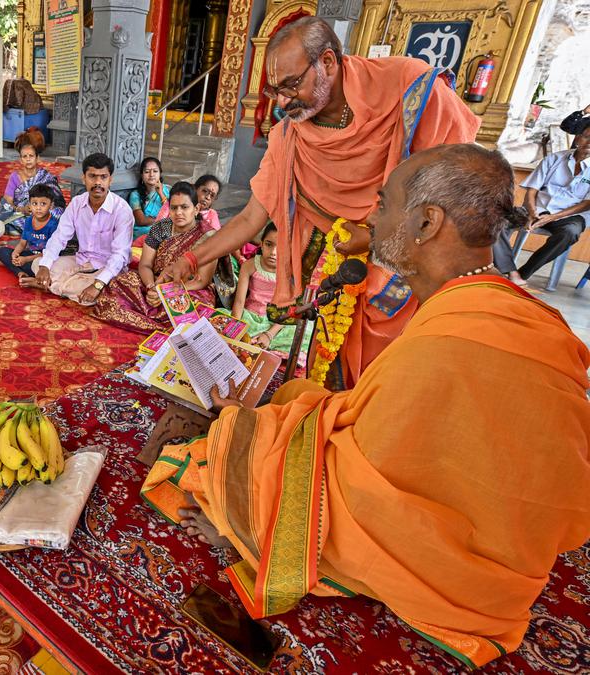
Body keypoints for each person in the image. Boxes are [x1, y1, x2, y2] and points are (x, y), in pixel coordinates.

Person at [144, 144, 590, 668]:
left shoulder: (446, 342)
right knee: (299, 403)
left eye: (383, 205)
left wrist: (249, 507)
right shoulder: (511, 311)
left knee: (221, 459)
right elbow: (398, 430)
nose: (370, 219)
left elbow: (357, 483)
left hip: (462, 574)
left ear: (425, 222)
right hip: (516, 550)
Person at [166, 16, 479, 388]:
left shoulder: (411, 91)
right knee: (330, 370)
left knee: (388, 380)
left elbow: (457, 190)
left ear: (328, 62)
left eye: (291, 85)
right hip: (336, 273)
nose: (281, 102)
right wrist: (191, 258)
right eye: (273, 91)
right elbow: (251, 218)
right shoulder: (289, 136)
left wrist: (377, 243)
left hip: (407, 273)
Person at [91, 181, 218, 332]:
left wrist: (166, 292)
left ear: (196, 209)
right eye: (174, 207)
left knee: (200, 308)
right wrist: (152, 287)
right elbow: (145, 265)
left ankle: (153, 317)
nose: (178, 213)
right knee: (119, 283)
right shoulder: (160, 228)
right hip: (155, 281)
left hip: (187, 288)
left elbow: (202, 281)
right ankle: (157, 316)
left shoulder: (207, 236)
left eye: (184, 207)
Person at [492, 114, 589, 286]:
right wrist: (531, 212)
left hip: (568, 216)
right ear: (578, 138)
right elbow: (532, 190)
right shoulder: (554, 159)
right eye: (587, 136)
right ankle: (509, 270)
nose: (589, 143)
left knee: (570, 233)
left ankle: (523, 274)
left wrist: (552, 217)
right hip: (536, 208)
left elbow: (587, 203)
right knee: (497, 219)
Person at [35, 153, 135, 306]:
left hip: (106, 268)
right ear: (84, 178)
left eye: (103, 177)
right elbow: (60, 237)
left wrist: (97, 285)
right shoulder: (77, 203)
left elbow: (120, 255)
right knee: (37, 263)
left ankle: (53, 285)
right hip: (81, 261)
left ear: (110, 180)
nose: (98, 182)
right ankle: (69, 286)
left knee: (100, 290)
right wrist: (44, 266)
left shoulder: (122, 210)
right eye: (92, 176)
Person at [230, 223, 307, 352]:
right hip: (250, 317)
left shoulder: (292, 272)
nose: (273, 252)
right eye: (268, 244)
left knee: (301, 336)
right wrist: (236, 329)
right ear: (261, 243)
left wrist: (269, 334)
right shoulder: (249, 266)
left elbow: (293, 309)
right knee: (224, 329)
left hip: (279, 321)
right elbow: (239, 302)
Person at [0, 184, 62, 285]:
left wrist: (25, 259)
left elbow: (51, 252)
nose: (38, 208)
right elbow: (22, 244)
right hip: (30, 255)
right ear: (30, 205)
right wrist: (15, 254)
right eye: (35, 204)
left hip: (44, 259)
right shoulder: (28, 220)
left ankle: (19, 268)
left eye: (43, 204)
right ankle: (20, 273)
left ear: (51, 205)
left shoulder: (53, 225)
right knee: (2, 251)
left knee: (47, 268)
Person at [0, 133, 65, 228]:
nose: (28, 159)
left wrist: (41, 207)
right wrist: (21, 209)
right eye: (25, 156)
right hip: (22, 214)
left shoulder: (45, 177)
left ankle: (34, 227)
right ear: (20, 160)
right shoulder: (15, 176)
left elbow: (57, 200)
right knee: (6, 221)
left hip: (43, 211)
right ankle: (39, 227)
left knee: (58, 213)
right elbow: (7, 203)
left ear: (37, 158)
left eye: (31, 156)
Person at [129, 156, 171, 236]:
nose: (151, 175)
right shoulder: (135, 195)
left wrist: (161, 194)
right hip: (142, 234)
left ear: (160, 174)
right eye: (147, 172)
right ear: (141, 175)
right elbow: (141, 220)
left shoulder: (167, 191)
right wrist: (163, 220)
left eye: (155, 171)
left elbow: (172, 213)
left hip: (163, 233)